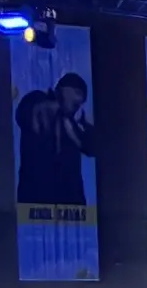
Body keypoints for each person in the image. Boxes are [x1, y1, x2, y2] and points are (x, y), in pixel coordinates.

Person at [14, 70, 94, 206]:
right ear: (64, 90)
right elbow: (31, 112)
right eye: (77, 93)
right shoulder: (36, 99)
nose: (79, 102)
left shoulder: (73, 123)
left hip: (70, 203)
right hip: (35, 200)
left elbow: (91, 147)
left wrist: (83, 124)